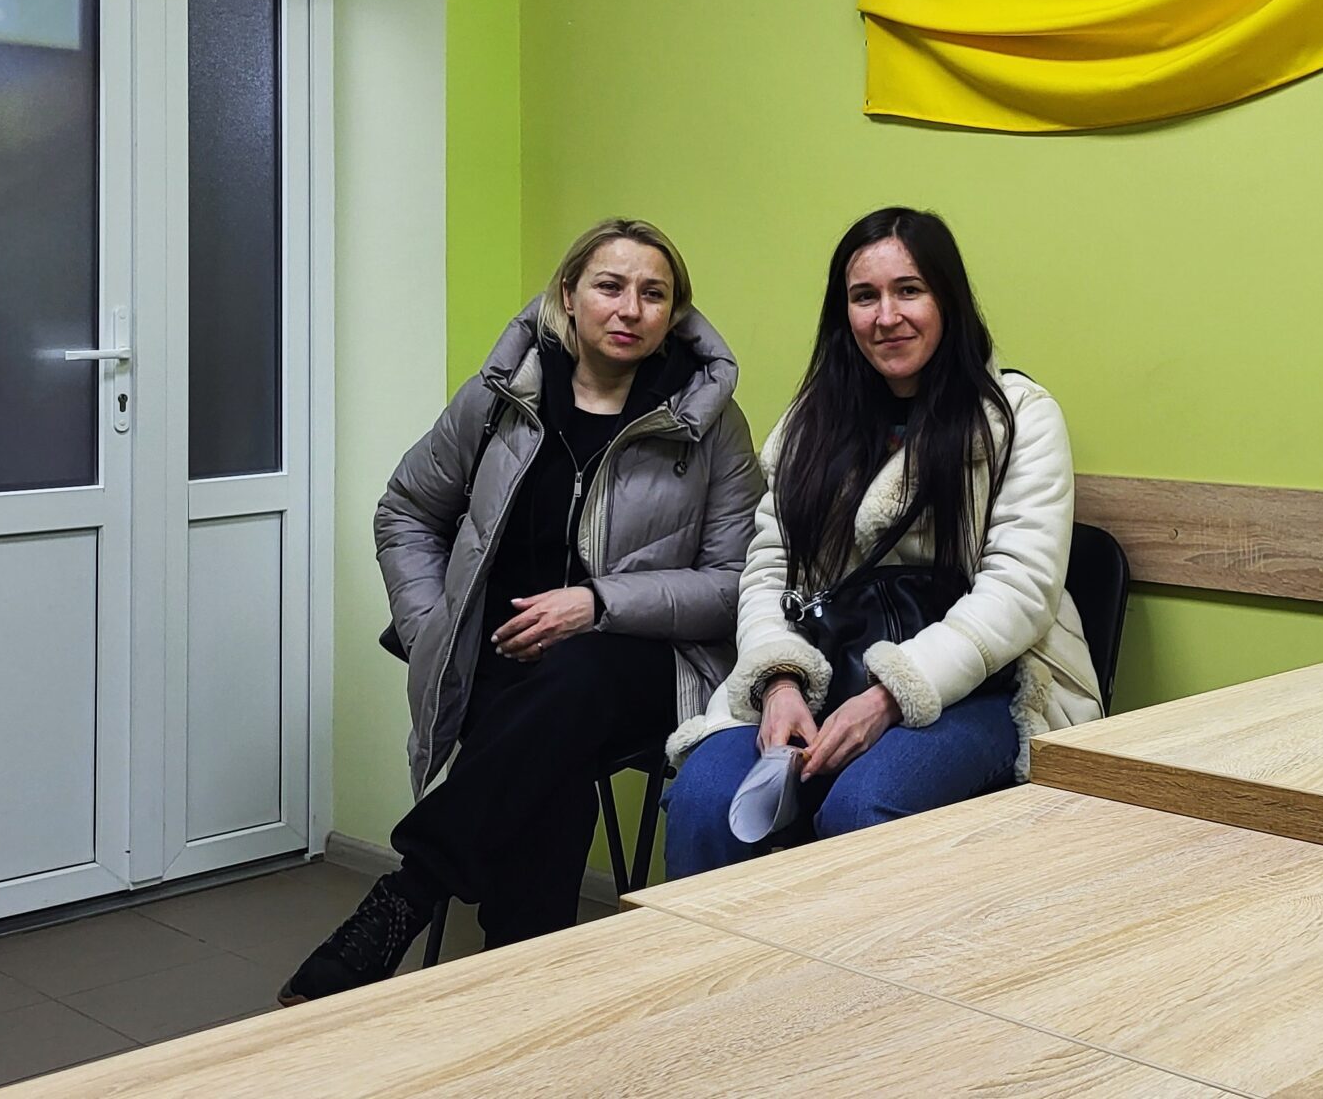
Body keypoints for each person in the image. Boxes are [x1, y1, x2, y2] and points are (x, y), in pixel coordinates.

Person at [281, 219, 761, 1002]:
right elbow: (406, 512)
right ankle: (519, 995)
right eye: (609, 286)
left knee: (572, 682)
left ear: (674, 315)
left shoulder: (709, 424)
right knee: (549, 751)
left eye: (653, 294)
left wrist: (596, 603)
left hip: (644, 661)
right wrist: (434, 629)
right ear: (568, 295)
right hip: (510, 664)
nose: (630, 308)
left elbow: (734, 583)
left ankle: (410, 891)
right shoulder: (501, 399)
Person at [663, 206, 1100, 877]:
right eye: (864, 296)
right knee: (705, 799)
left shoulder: (1019, 416)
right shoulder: (811, 424)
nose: (886, 316)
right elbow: (770, 571)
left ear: (947, 300)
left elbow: (1020, 591)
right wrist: (778, 681)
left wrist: (892, 695)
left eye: (909, 290)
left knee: (863, 804)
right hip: (824, 668)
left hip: (986, 685)